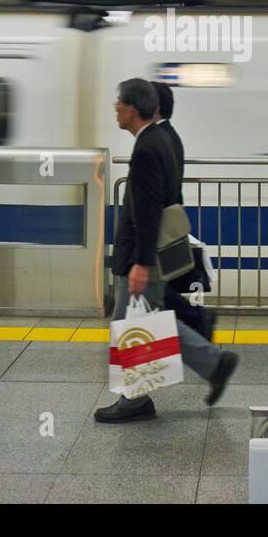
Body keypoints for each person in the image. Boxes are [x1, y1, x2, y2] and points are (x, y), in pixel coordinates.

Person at [95, 78, 237, 423]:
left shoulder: (147, 147)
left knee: (130, 322)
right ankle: (212, 364)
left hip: (146, 255)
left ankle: (136, 401)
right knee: (150, 318)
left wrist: (141, 263)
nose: (115, 108)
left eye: (119, 103)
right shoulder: (161, 139)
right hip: (153, 253)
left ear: (132, 109)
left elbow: (147, 212)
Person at [152, 82, 218, 342]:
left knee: (155, 290)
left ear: (153, 107)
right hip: (165, 224)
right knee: (156, 290)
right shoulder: (169, 134)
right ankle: (195, 325)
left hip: (161, 228)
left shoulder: (159, 139)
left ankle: (197, 320)